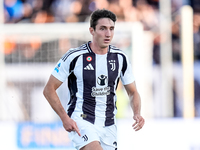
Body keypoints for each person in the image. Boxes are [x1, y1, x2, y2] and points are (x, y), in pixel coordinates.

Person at [43, 9, 145, 150]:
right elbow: (49, 89)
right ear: (92, 30)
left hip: (109, 124)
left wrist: (137, 113)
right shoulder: (75, 56)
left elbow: (133, 92)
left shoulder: (120, 58)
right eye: (102, 29)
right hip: (81, 120)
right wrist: (65, 118)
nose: (108, 34)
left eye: (111, 29)